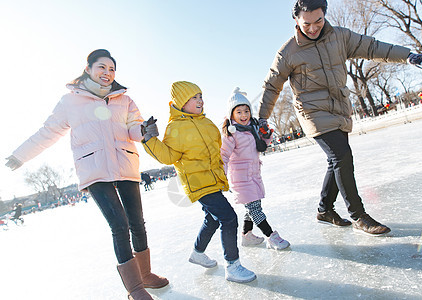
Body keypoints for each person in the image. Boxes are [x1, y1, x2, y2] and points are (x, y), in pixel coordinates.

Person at [257, 0, 422, 235]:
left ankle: (325, 209)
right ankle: (358, 215)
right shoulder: (288, 52)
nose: (313, 28)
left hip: (339, 107)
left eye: (318, 21)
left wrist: (408, 56)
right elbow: (272, 86)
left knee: (336, 160)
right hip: (312, 112)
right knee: (342, 156)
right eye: (306, 23)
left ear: (325, 15)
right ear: (296, 21)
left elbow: (373, 47)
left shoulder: (340, 37)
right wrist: (261, 119)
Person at [5, 49, 168, 299]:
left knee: (137, 222)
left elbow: (134, 128)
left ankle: (145, 275)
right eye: (102, 67)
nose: (107, 73)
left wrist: (145, 129)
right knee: (119, 225)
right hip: (94, 169)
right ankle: (134, 288)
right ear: (88, 68)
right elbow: (47, 132)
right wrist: (20, 155)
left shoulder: (124, 99)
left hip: (125, 164)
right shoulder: (70, 101)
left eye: (112, 69)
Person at [141, 81, 256, 283]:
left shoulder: (207, 123)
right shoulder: (175, 127)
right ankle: (233, 265)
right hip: (198, 183)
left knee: (212, 218)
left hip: (213, 179)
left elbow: (219, 146)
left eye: (200, 96)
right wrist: (150, 139)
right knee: (228, 218)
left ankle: (198, 252)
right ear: (181, 102)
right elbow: (168, 157)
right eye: (194, 97)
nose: (200, 100)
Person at [220, 88, 290, 250]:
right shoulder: (231, 134)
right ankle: (271, 236)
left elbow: (262, 147)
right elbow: (223, 156)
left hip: (253, 174)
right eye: (239, 112)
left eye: (246, 111)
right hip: (240, 178)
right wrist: (221, 176)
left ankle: (247, 235)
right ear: (232, 115)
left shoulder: (253, 128)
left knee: (252, 207)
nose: (244, 115)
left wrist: (266, 135)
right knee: (254, 208)